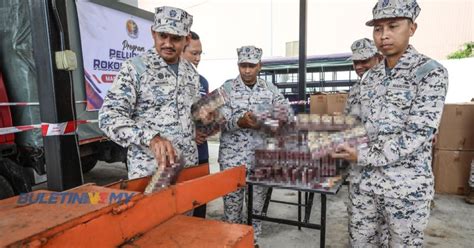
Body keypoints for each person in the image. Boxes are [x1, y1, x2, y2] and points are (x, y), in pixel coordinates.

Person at [333, 0, 449, 247]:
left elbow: (418, 133)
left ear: (412, 28)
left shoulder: (430, 73)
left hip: (405, 190)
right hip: (365, 187)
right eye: (377, 29)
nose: (383, 35)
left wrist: (361, 154)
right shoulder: (371, 77)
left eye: (393, 26)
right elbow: (359, 124)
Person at [99, 6, 201, 179]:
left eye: (176, 38)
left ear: (187, 39)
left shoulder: (190, 72)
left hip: (187, 168)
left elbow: (191, 113)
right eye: (163, 36)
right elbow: (108, 117)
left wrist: (203, 123)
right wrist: (151, 138)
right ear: (153, 33)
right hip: (150, 172)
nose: (168, 43)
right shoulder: (135, 68)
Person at [218, 46, 290, 245]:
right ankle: (232, 242)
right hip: (232, 160)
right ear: (238, 65)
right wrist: (237, 122)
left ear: (260, 65)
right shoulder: (226, 88)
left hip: (260, 160)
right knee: (231, 209)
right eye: (243, 65)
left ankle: (252, 242)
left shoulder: (270, 89)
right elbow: (214, 119)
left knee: (256, 210)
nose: (247, 70)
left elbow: (287, 115)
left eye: (251, 66)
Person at [181, 30, 210, 218]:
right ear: (181, 50)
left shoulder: (202, 82)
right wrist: (190, 134)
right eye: (194, 53)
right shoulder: (164, 80)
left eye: (200, 53)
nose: (198, 58)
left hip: (201, 152)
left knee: (200, 199)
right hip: (178, 156)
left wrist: (209, 125)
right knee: (181, 203)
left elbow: (203, 115)